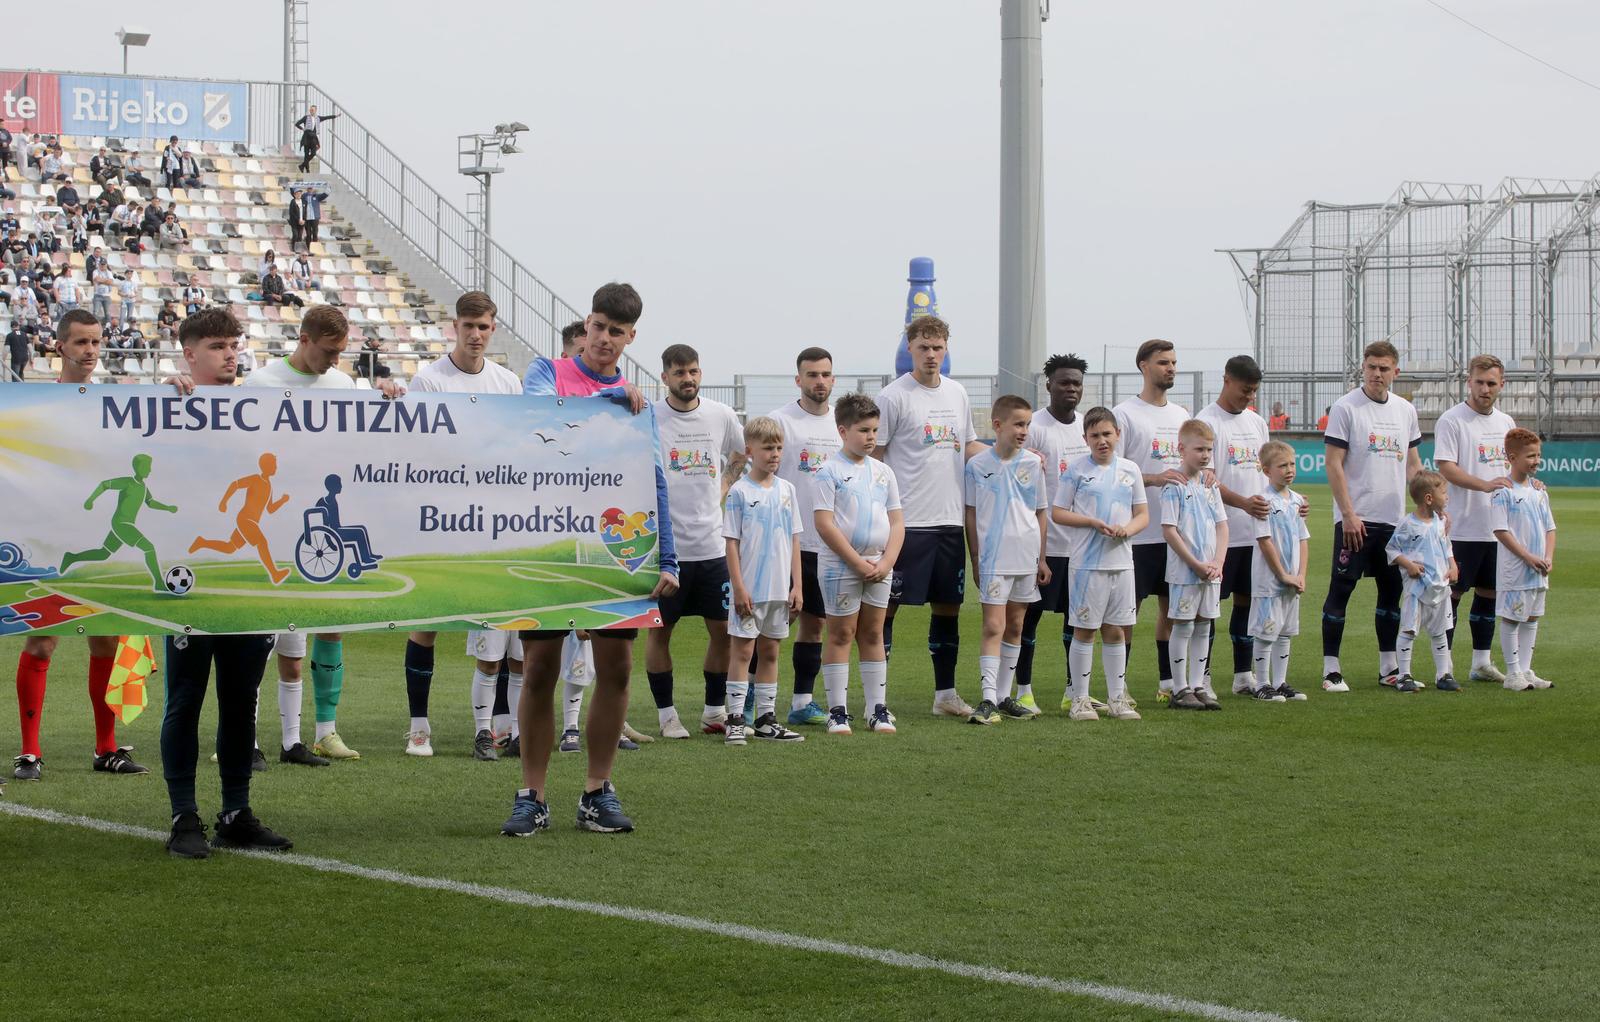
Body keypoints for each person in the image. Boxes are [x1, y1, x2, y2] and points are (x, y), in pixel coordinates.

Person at [505, 282, 678, 837]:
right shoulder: (547, 371)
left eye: (618, 333)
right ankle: (531, 794)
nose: (605, 340)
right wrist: (607, 403)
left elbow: (653, 483)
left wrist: (667, 559)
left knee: (618, 668)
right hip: (546, 544)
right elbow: (537, 422)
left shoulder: (639, 405)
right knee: (538, 669)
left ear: (631, 337)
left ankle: (597, 791)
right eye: (599, 328)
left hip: (614, 550)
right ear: (587, 325)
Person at [159, 307, 294, 858]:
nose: (230, 354)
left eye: (235, 344)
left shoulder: (259, 407)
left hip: (246, 590)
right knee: (186, 698)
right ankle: (183, 816)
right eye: (217, 345)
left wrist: (381, 395)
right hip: (188, 588)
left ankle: (236, 810)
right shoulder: (164, 404)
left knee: (242, 699)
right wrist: (163, 396)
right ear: (189, 352)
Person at [242, 305, 399, 764]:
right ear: (304, 339)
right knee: (259, 638)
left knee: (321, 629)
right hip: (278, 521)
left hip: (321, 514)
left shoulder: (344, 386)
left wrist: (385, 394)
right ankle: (245, 735)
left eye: (341, 352)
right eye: (329, 352)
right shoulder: (260, 384)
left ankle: (317, 734)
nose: (334, 360)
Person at [12, 310, 147, 782]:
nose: (90, 351)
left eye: (96, 342)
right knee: (43, 642)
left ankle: (106, 748)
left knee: (105, 637)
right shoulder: (31, 403)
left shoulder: (115, 403)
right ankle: (30, 752)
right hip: (46, 536)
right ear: (60, 346)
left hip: (96, 537)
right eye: (81, 342)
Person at [402, 291, 525, 760]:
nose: (476, 334)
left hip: (492, 521)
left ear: (494, 329)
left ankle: (496, 729)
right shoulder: (429, 381)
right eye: (468, 325)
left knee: (500, 625)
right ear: (454, 326)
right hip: (438, 518)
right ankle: (418, 727)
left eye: (484, 326)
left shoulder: (507, 383)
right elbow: (421, 449)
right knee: (427, 624)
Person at [873, 315, 987, 718]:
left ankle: (945, 695)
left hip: (949, 523)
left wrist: (1010, 460)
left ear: (946, 349)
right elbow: (876, 456)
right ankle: (877, 698)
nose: (931, 355)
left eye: (938, 347)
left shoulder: (957, 394)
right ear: (910, 349)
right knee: (886, 609)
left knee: (948, 607)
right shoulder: (893, 397)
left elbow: (970, 445)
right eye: (923, 347)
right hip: (906, 524)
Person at [643, 344, 746, 739]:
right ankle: (667, 715)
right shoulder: (651, 416)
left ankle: (713, 711)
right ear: (665, 377)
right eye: (680, 372)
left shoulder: (720, 414)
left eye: (694, 371)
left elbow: (739, 454)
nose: (688, 379)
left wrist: (723, 487)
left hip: (712, 547)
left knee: (723, 631)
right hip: (667, 552)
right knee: (660, 633)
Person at [1321, 340, 1422, 693]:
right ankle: (1331, 669)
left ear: (1396, 371)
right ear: (1362, 368)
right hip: (1356, 518)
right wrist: (1348, 513)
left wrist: (1426, 508)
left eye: (1384, 368)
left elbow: (1412, 465)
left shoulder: (1405, 411)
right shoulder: (1346, 408)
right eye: (1371, 367)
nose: (1377, 374)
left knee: (1391, 592)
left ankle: (1389, 668)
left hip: (1394, 521)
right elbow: (1333, 463)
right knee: (1342, 588)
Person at [812, 393, 904, 734]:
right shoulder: (828, 472)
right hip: (840, 567)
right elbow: (825, 524)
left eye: (875, 430)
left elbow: (896, 522)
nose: (871, 437)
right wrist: (856, 562)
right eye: (863, 430)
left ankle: (876, 709)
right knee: (841, 634)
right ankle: (837, 711)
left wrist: (887, 560)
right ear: (842, 430)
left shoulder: (884, 472)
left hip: (880, 566)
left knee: (873, 632)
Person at [1114, 339, 1195, 703]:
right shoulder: (1124, 415)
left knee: (1172, 609)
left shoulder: (1181, 416)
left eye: (1174, 362)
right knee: (1129, 611)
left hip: (1175, 533)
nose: (1171, 368)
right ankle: (1121, 684)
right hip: (1138, 534)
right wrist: (1155, 478)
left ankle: (1167, 683)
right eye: (1164, 362)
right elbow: (1113, 474)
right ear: (1143, 366)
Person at [1054, 407, 1147, 722]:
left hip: (1122, 564)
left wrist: (1127, 530)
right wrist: (1092, 522)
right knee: (1084, 631)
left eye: (1107, 434)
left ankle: (1117, 699)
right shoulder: (1076, 470)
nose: (1102, 441)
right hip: (1086, 564)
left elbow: (1142, 515)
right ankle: (1080, 699)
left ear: (1117, 434)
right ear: (1085, 439)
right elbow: (1058, 512)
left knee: (1116, 631)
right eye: (1094, 435)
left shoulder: (1131, 470)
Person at [720, 416, 807, 745]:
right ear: (749, 450)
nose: (774, 454)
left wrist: (797, 585)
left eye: (779, 448)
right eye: (767, 447)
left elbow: (794, 539)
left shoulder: (788, 490)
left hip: (778, 591)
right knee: (742, 654)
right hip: (750, 591)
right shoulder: (740, 492)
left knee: (771, 653)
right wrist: (739, 586)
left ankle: (767, 718)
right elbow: (731, 542)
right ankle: (735, 720)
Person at [768, 346, 843, 726]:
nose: (819, 381)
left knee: (815, 623)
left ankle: (801, 702)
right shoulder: (780, 420)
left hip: (827, 543)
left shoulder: (841, 425)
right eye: (812, 375)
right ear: (798, 379)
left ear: (833, 378)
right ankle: (750, 699)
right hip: (785, 541)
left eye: (825, 374)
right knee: (771, 622)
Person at [963, 395, 1048, 725]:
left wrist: (1041, 558)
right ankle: (985, 698)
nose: (1024, 430)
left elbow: (1040, 513)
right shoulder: (977, 466)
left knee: (1015, 625)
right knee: (993, 625)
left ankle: (1002, 695)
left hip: (1025, 557)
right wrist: (975, 556)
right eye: (1018, 424)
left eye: (1027, 424)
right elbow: (971, 514)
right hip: (994, 558)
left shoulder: (1032, 464)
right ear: (997, 426)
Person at [1434, 354, 1518, 684]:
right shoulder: (1453, 420)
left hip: (1498, 528)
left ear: (1501, 385)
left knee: (1490, 593)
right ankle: (1446, 665)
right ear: (1468, 381)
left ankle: (1481, 662)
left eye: (1491, 383)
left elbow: (1513, 468)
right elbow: (1446, 467)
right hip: (1463, 525)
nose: (1485, 389)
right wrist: (1485, 485)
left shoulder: (1507, 423)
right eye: (1479, 382)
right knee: (1452, 595)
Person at [1196, 355, 1273, 695]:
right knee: (1210, 607)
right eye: (1245, 390)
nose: (1249, 398)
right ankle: (1204, 677)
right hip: (1218, 533)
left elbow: (1266, 473)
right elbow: (1205, 479)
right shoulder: (1206, 422)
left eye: (1254, 392)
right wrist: (1244, 503)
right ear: (1227, 380)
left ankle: (1244, 676)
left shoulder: (1257, 423)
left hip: (1254, 534)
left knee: (1247, 602)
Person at [1019, 353, 1091, 715]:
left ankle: (1072, 689)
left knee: (1075, 621)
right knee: (1028, 619)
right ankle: (1023, 689)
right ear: (1048, 384)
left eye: (1076, 382)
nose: (1071, 388)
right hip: (1041, 544)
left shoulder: (1088, 428)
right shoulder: (1033, 427)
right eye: (1064, 382)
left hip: (1080, 546)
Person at [1159, 419, 1228, 711]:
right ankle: (1179, 688)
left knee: (1204, 627)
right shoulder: (1174, 486)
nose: (1204, 455)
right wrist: (1196, 563)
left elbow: (1223, 526)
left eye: (1208, 450)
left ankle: (1199, 685)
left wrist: (1217, 562)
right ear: (1181, 449)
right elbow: (1169, 530)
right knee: (1183, 626)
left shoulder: (1211, 486)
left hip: (1211, 572)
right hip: (1185, 572)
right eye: (1199, 449)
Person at [1489, 429, 1556, 691]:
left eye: (1538, 455)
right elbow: (1500, 530)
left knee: (1532, 618)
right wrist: (1528, 557)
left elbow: (1550, 528)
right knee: (1512, 618)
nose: (1536, 460)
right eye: (1530, 456)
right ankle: (1513, 673)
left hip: (1538, 570)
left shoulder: (1539, 491)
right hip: (1515, 569)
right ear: (1512, 457)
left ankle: (1526, 670)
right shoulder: (1502, 491)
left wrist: (1547, 557)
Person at [58, 453, 179, 592]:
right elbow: (105, 484)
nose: (150, 470)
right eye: (147, 466)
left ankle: (72, 557)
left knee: (103, 554)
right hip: (121, 524)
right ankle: (158, 582)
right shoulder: (128, 482)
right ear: (138, 467)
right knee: (149, 547)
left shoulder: (144, 488)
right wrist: (90, 500)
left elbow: (151, 503)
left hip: (126, 525)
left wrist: (167, 508)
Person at [1384, 471, 1460, 693]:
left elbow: (1446, 546)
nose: (1447, 497)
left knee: (1439, 632)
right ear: (1429, 498)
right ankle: (1403, 675)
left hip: (1440, 586)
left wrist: (1453, 566)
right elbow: (1392, 549)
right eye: (1444, 493)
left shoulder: (1440, 521)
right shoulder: (1408, 524)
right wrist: (1409, 566)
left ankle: (1443, 674)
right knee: (1408, 630)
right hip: (1417, 588)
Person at [1249, 441, 1310, 703]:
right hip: (1269, 581)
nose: (1289, 470)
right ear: (1266, 470)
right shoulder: (1262, 501)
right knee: (1266, 631)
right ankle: (1261, 684)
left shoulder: (1297, 501)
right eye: (1282, 465)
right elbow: (1265, 541)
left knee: (1285, 631)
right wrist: (1283, 574)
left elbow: (1302, 540)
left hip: (1292, 580)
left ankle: (1280, 681)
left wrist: (1301, 575)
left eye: (1292, 464)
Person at [188, 453, 293, 585]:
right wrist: (223, 501)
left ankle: (202, 542)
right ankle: (274, 574)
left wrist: (282, 501)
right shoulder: (255, 479)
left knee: (230, 548)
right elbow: (235, 484)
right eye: (274, 465)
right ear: (266, 466)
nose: (276, 467)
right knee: (262, 542)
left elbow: (270, 509)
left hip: (252, 522)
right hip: (245, 519)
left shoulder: (269, 486)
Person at [294, 105, 339, 173]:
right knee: (306, 154)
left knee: (313, 153)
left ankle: (302, 165)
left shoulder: (318, 118)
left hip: (313, 137)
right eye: (310, 110)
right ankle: (307, 170)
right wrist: (302, 129)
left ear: (315, 110)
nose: (311, 111)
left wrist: (335, 116)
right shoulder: (306, 117)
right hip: (306, 136)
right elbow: (297, 124)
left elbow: (326, 117)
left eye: (312, 110)